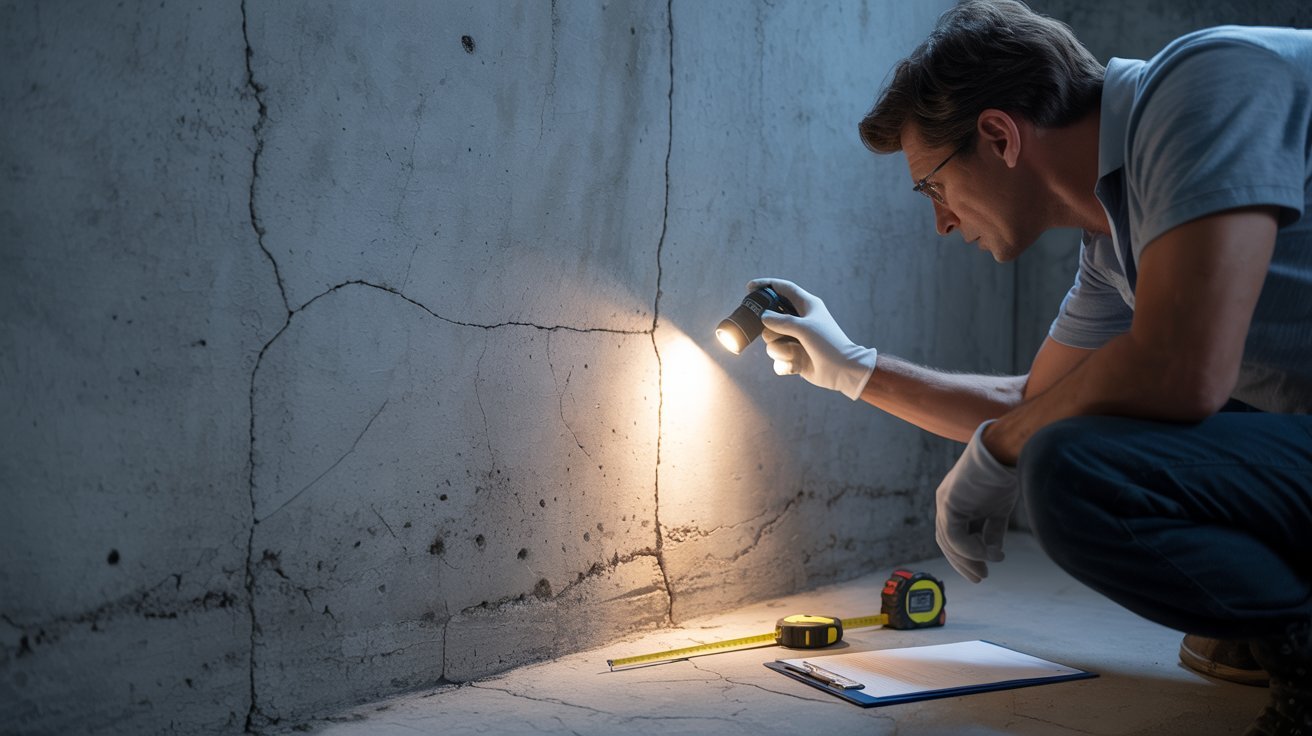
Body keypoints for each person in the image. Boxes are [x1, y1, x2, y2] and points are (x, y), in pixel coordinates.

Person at [748, 1, 1312, 733]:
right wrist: (852, 367)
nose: (942, 221)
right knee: (1075, 430)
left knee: (1072, 469)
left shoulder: (1204, 83)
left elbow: (1181, 370)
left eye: (934, 187)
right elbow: (1040, 399)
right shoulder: (1115, 244)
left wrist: (1001, 449)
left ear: (998, 136)